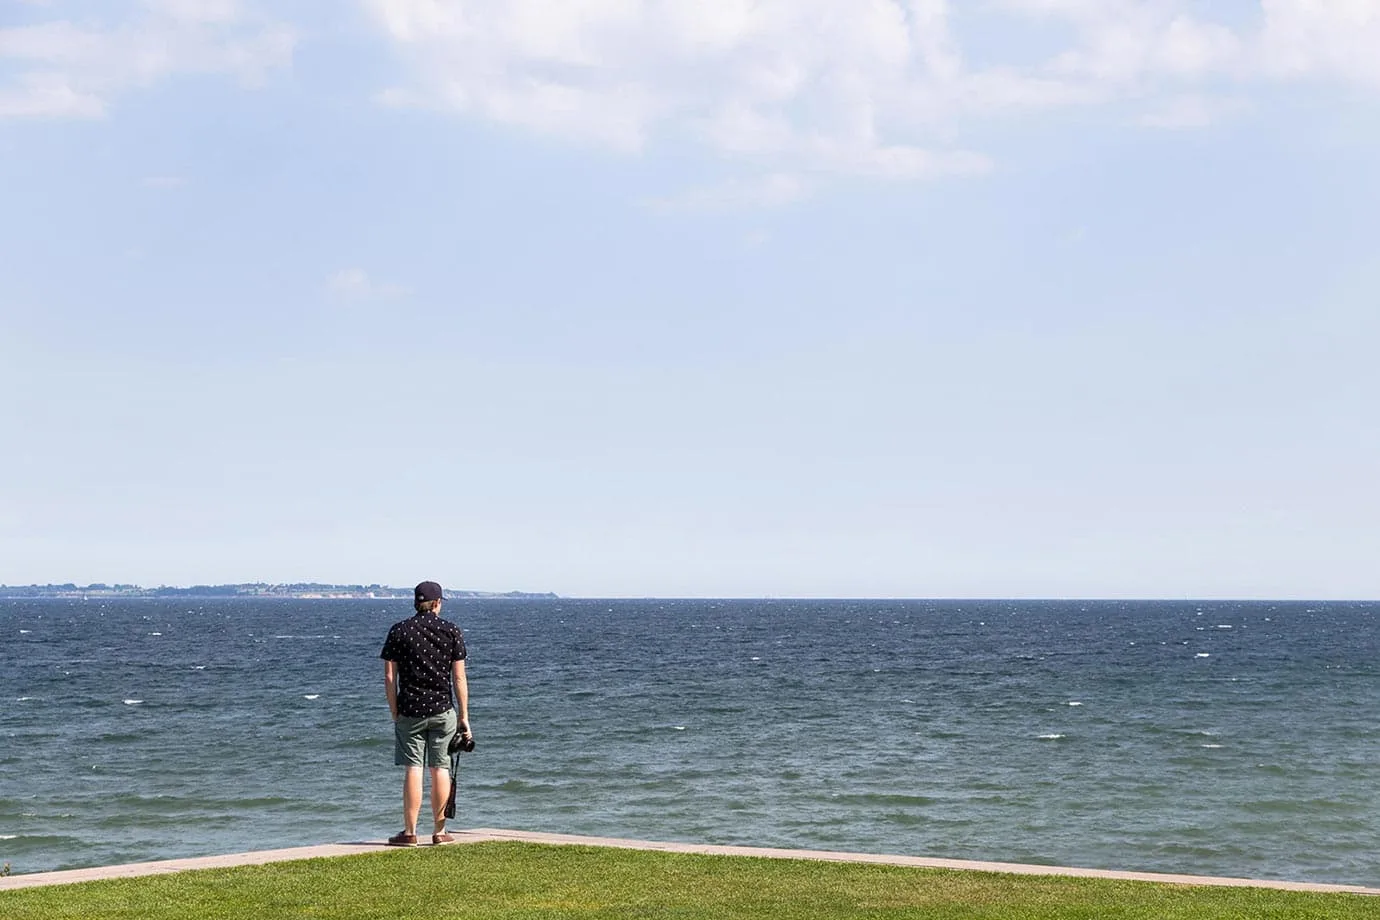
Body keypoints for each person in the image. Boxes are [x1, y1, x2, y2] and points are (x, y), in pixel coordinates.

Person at [380, 580, 472, 846]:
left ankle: (409, 832)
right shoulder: (451, 631)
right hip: (443, 710)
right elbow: (459, 678)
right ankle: (439, 832)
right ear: (437, 603)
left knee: (413, 768)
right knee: (440, 768)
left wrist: (394, 710)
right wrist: (464, 716)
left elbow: (389, 677)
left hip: (409, 709)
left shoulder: (399, 631)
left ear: (416, 602)